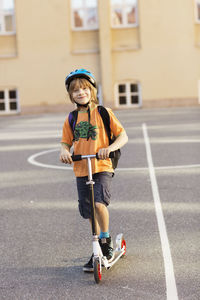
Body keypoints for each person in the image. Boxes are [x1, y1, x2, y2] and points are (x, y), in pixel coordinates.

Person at [60, 69, 128, 272]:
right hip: (81, 168)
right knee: (88, 210)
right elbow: (65, 142)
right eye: (75, 90)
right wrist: (64, 151)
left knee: (99, 204)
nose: (80, 92)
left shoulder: (103, 113)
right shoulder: (71, 118)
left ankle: (106, 241)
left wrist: (110, 148)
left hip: (102, 166)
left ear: (92, 90)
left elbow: (122, 135)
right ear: (71, 95)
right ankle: (96, 246)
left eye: (84, 88)